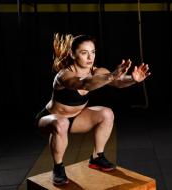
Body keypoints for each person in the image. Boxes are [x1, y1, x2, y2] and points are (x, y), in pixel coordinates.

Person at [35, 33, 151, 185]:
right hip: (50, 119)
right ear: (72, 54)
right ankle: (58, 168)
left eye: (93, 52)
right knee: (61, 123)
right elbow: (84, 84)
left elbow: (118, 82)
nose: (90, 57)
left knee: (107, 113)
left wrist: (133, 79)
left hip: (76, 119)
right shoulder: (64, 75)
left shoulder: (97, 71)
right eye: (84, 53)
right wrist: (111, 76)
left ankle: (97, 157)